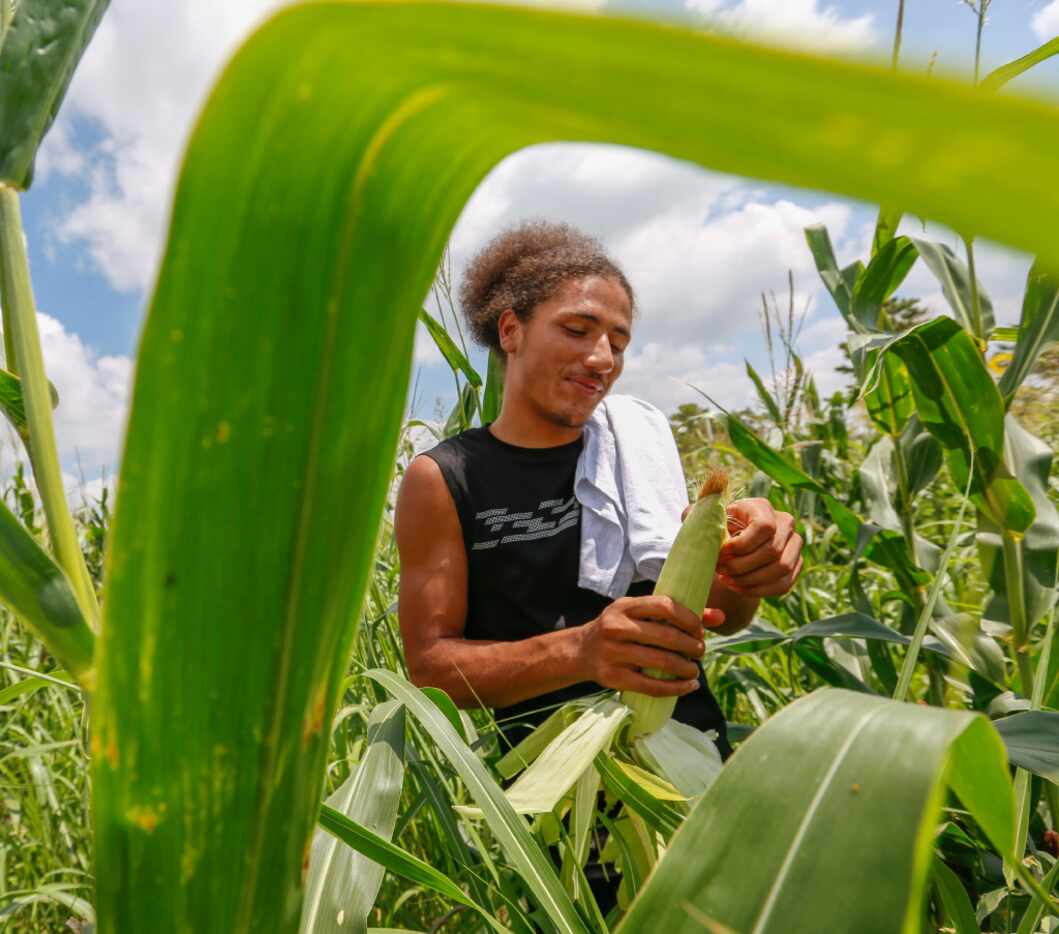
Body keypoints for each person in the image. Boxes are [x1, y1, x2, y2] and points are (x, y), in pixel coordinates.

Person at [394, 219, 804, 908]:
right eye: (579, 329)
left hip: (687, 770)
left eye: (618, 339)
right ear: (510, 330)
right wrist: (580, 650)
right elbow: (432, 669)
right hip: (550, 800)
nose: (603, 357)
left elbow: (718, 617)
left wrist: (746, 569)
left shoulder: (638, 453)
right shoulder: (447, 478)